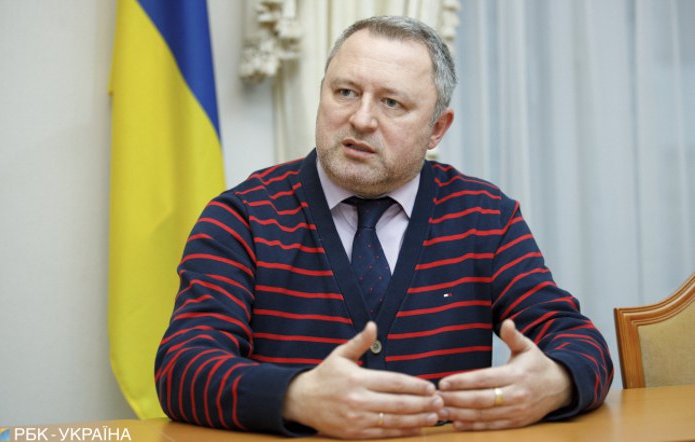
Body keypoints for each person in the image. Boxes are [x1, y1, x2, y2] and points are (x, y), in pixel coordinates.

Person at [155, 15, 613, 438]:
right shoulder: (243, 217)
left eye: (391, 102)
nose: (360, 119)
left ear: (437, 129)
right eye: (345, 92)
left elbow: (579, 341)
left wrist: (555, 382)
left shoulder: (485, 216)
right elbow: (181, 366)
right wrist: (297, 397)